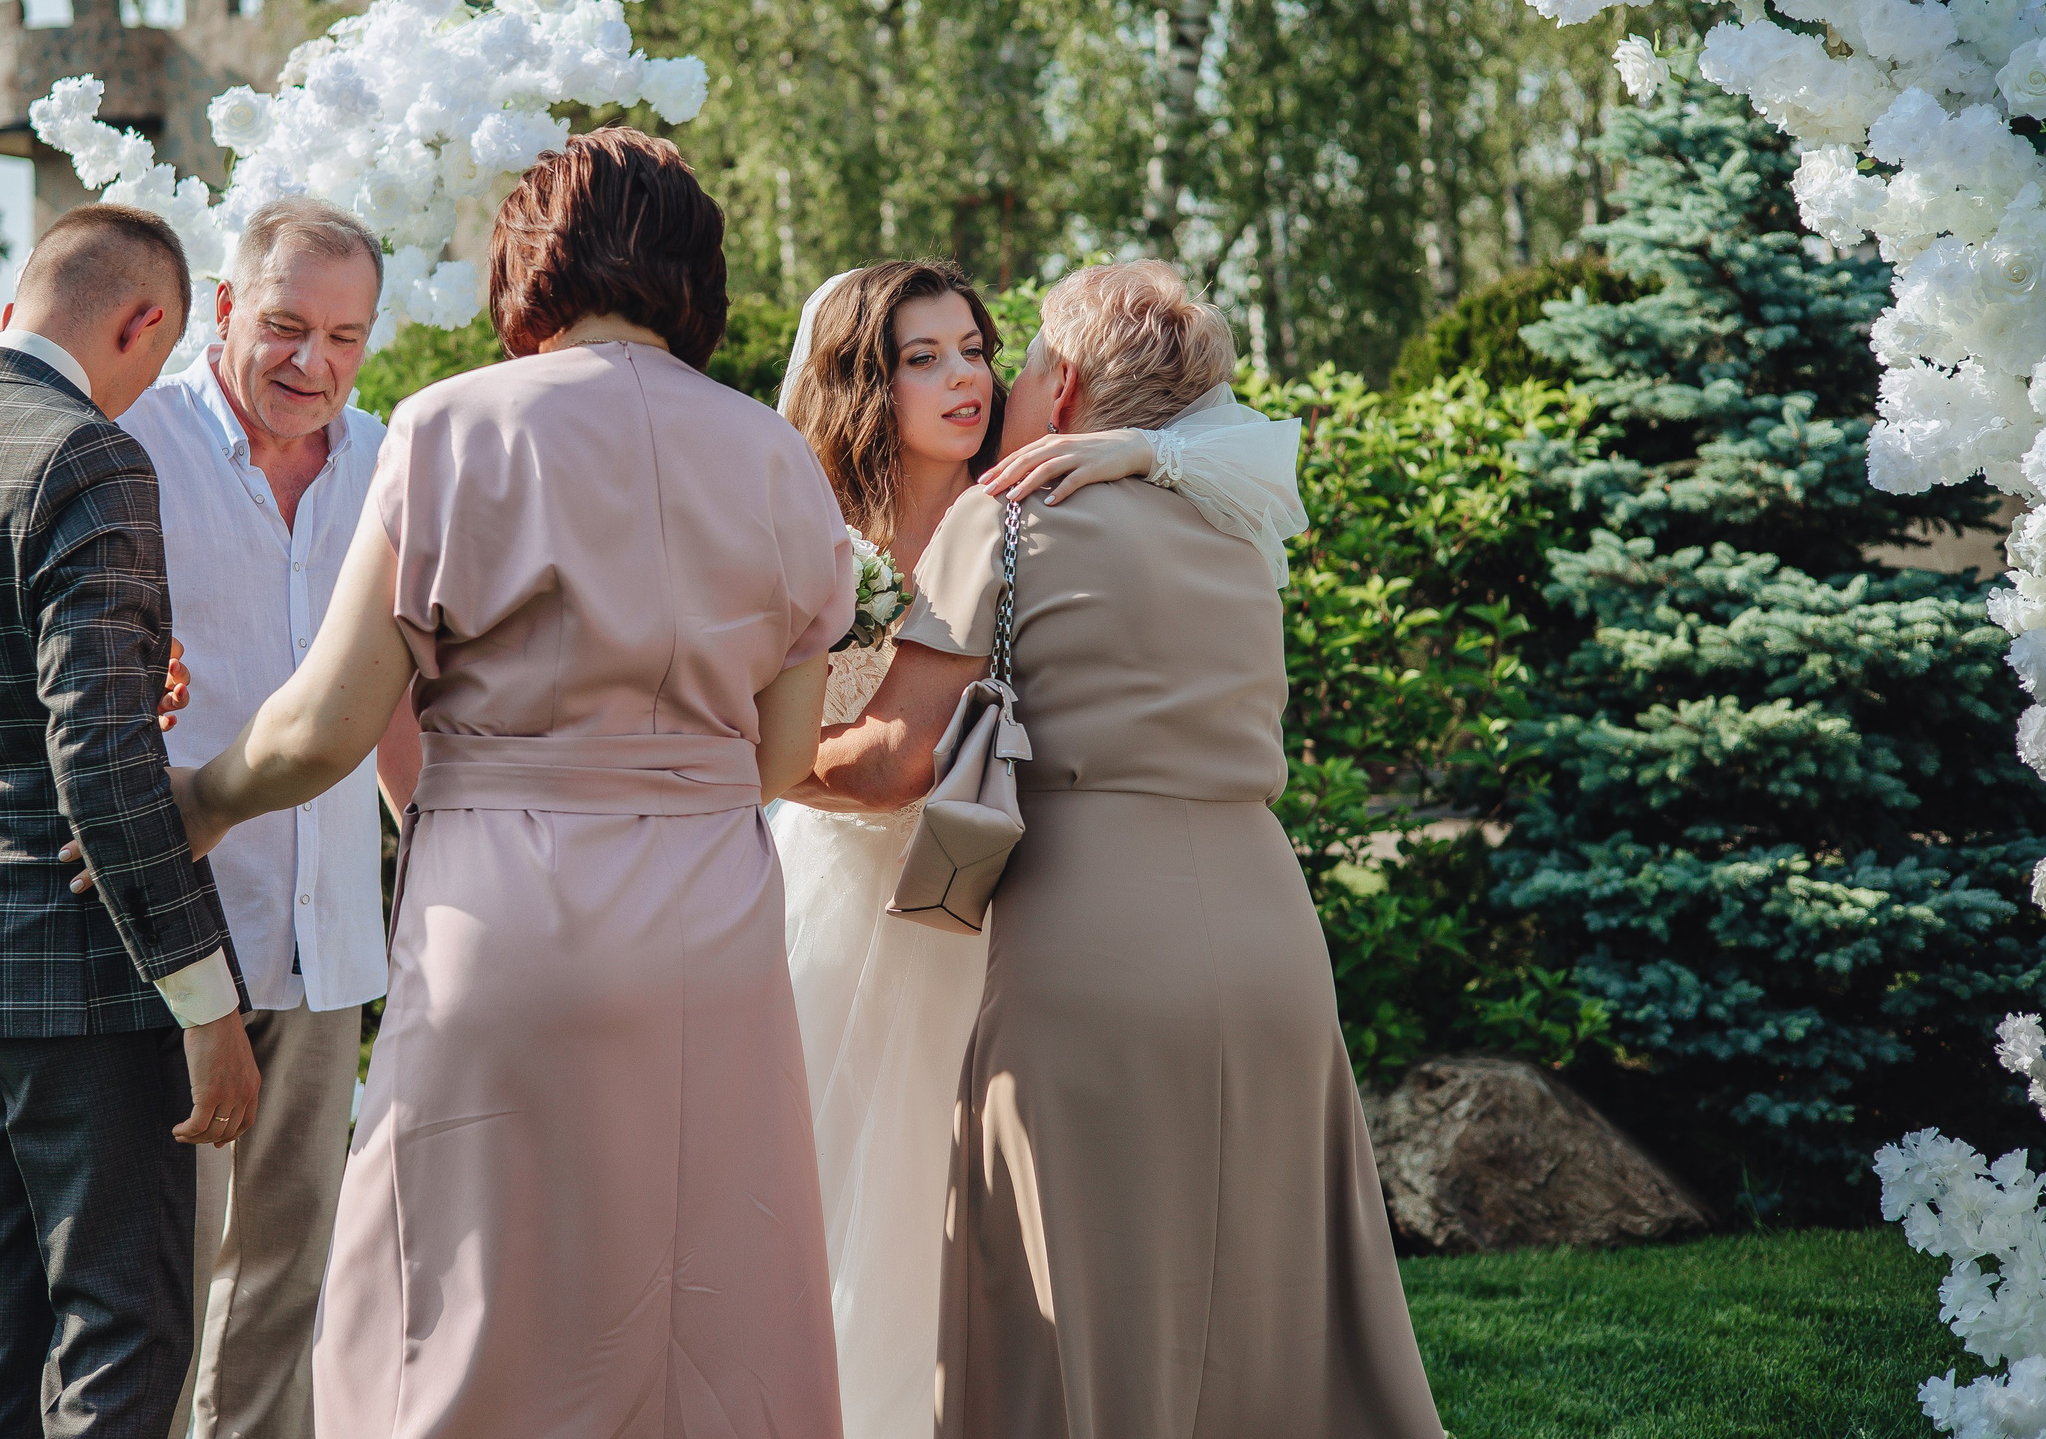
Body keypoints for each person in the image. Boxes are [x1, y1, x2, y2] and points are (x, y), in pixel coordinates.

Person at [167, 127, 853, 1439]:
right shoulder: (776, 457)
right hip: (711, 909)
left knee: (466, 1288)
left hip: (505, 902)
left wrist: (195, 805)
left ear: (530, 258)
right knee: (701, 1284)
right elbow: (781, 755)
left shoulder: (450, 424)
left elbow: (321, 728)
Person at [796, 259, 1442, 1439]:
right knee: (1265, 1293)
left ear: (1070, 383)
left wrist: (746, 761)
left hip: (1095, 931)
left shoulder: (1007, 517)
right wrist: (1148, 452)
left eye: (1026, 355)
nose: (1006, 379)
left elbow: (891, 762)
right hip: (1267, 927)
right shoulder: (1236, 522)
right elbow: (1248, 448)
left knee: (1069, 1289)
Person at [0, 202, 260, 1439]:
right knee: (126, 1330)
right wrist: (205, 998)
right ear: (143, 322)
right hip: (80, 973)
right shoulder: (89, 457)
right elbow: (100, 761)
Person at [103, 197, 422, 1439]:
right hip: (172, 929)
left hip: (329, 930)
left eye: (346, 337)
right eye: (286, 326)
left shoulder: (388, 461)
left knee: (290, 1281)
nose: (314, 364)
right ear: (224, 311)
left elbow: (396, 699)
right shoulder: (132, 448)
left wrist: (441, 864)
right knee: (159, 1286)